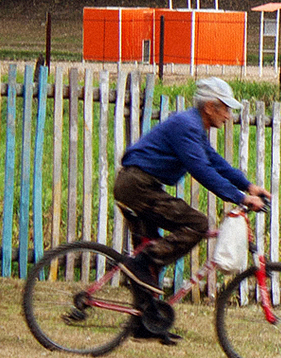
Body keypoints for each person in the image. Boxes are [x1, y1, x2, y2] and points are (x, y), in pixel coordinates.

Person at [113, 77, 269, 344]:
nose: (228, 116)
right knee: (196, 223)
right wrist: (241, 198)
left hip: (139, 184)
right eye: (225, 109)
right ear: (209, 107)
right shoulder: (186, 127)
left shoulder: (193, 126)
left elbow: (214, 161)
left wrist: (248, 186)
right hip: (137, 186)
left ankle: (145, 324)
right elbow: (201, 170)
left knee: (152, 251)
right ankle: (140, 264)